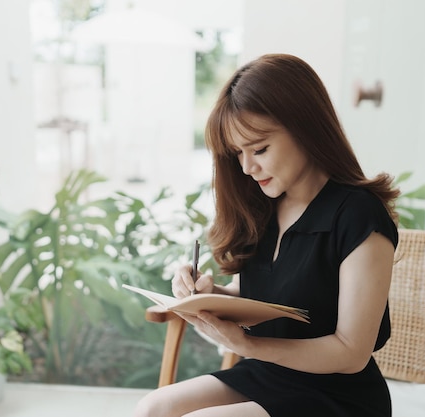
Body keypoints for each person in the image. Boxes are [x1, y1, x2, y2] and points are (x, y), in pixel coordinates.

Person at [134, 53, 399, 417]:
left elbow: (351, 352)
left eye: (259, 149)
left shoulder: (359, 215)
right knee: (152, 408)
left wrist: (247, 344)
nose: (247, 167)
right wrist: (210, 296)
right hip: (269, 374)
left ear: (306, 129)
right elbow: (267, 294)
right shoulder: (262, 207)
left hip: (338, 396)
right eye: (238, 153)